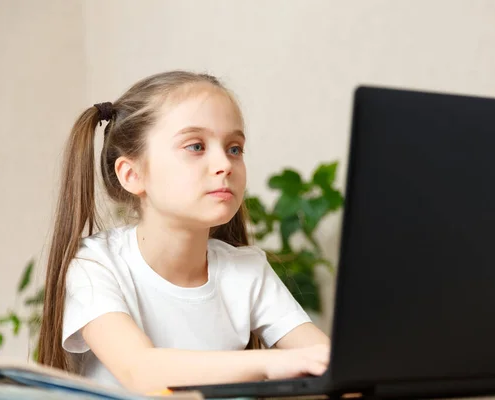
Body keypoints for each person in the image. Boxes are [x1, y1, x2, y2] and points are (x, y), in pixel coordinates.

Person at [37, 71, 330, 394]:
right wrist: (270, 363)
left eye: (234, 148)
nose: (225, 164)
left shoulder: (248, 270)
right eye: (195, 146)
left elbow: (327, 362)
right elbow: (141, 371)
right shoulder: (96, 265)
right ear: (132, 174)